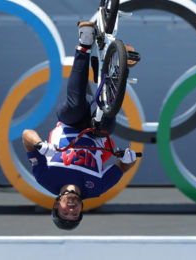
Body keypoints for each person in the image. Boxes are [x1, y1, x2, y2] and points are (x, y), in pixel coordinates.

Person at [22, 21, 138, 230]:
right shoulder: (97, 188)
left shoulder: (45, 178)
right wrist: (128, 159)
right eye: (75, 214)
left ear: (57, 204)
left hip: (70, 123)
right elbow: (124, 165)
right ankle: (120, 69)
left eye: (65, 212)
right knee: (107, 118)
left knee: (76, 105)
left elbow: (26, 135)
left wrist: (40, 145)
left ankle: (84, 44)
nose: (72, 209)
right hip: (96, 132)